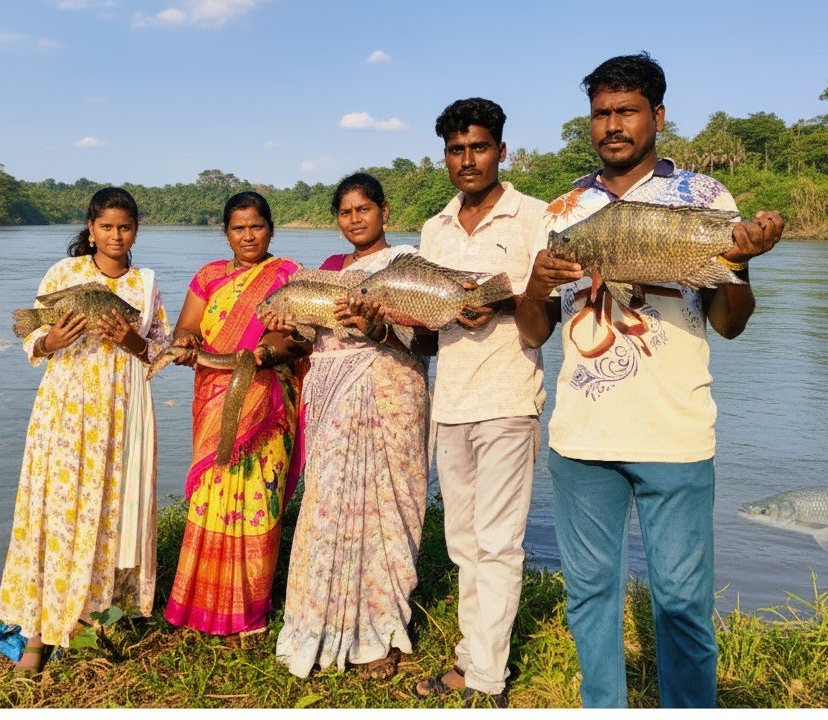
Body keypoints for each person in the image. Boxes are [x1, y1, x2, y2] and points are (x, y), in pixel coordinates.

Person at [524, 52, 785, 708]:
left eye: (627, 111)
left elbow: (729, 324)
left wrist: (743, 263)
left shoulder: (704, 200)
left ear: (657, 116)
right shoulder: (563, 209)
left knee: (681, 605)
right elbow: (533, 331)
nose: (613, 124)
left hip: (676, 432)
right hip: (581, 439)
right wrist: (535, 282)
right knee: (589, 598)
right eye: (601, 113)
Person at [0, 186, 173, 676]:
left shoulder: (146, 284)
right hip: (66, 412)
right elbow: (33, 338)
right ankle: (38, 630)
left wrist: (131, 339)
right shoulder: (63, 273)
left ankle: (93, 616)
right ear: (91, 229)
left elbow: (159, 352)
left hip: (122, 414)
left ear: (136, 230)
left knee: (109, 511)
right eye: (107, 227)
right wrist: (52, 337)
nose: (116, 236)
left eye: (125, 227)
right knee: (55, 510)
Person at [413, 98, 548, 708]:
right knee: (464, 540)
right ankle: (473, 655)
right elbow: (427, 327)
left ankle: (488, 677)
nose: (468, 160)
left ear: (501, 150)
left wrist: (499, 301)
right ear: (445, 156)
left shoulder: (535, 219)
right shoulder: (434, 229)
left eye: (479, 147)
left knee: (498, 541)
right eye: (456, 150)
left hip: (509, 395)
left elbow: (545, 315)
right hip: (452, 401)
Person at [270, 173, 429, 680]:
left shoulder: (407, 267)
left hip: (391, 394)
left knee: (389, 506)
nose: (355, 219)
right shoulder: (326, 275)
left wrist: (378, 327)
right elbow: (298, 338)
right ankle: (316, 625)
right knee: (329, 506)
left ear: (385, 212)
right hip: (332, 400)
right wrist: (275, 336)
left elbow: (427, 339)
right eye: (345, 211)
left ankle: (379, 633)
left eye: (364, 209)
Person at [163, 191, 308, 637]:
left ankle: (248, 612)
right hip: (215, 398)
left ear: (270, 229)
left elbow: (299, 339)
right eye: (238, 228)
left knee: (258, 505)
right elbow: (186, 327)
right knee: (212, 500)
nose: (248, 236)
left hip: (266, 406)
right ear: (225, 233)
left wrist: (266, 352)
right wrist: (185, 343)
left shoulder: (289, 276)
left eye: (256, 226)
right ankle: (199, 605)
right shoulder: (208, 276)